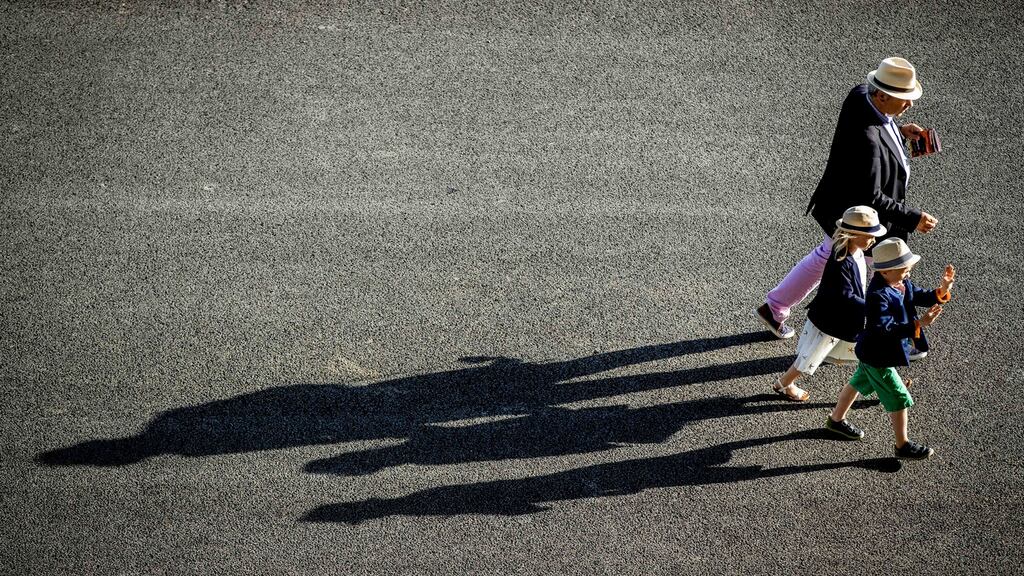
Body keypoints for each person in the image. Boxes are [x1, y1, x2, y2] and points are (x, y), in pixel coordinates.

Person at [754, 57, 939, 340]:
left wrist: (898, 134)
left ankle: (775, 307)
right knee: (886, 269)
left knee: (830, 256)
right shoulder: (868, 141)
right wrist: (913, 218)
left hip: (841, 208)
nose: (909, 104)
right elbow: (872, 195)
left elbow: (880, 132)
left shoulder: (860, 95)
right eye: (903, 98)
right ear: (881, 94)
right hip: (858, 217)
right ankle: (898, 337)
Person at [823, 238, 955, 460]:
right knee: (900, 397)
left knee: (857, 382)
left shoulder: (898, 283)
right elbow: (883, 329)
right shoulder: (877, 296)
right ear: (885, 272)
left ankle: (836, 420)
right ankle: (902, 445)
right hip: (879, 356)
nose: (908, 274)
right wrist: (918, 325)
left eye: (909, 270)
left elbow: (920, 295)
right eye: (904, 270)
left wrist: (942, 290)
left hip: (871, 353)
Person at [772, 206, 887, 402]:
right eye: (869, 236)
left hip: (836, 317)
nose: (873, 240)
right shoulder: (842, 260)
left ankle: (885, 385)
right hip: (833, 320)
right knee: (811, 355)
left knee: (865, 353)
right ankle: (784, 383)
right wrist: (871, 303)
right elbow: (845, 296)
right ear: (852, 234)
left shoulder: (851, 251)